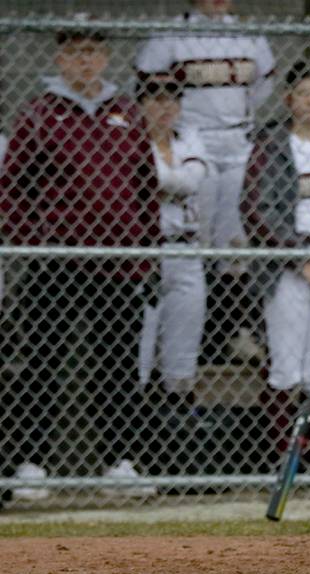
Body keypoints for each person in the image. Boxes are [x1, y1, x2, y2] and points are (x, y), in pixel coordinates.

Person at [0, 19, 160, 495]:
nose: (85, 60)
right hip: (58, 262)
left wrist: (145, 251)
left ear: (105, 57)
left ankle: (120, 463)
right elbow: (11, 188)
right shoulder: (39, 114)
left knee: (116, 366)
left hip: (116, 261)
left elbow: (145, 188)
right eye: (75, 53)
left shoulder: (126, 113)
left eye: (93, 51)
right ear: (59, 59)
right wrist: (37, 238)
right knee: (44, 363)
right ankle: (30, 465)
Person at [135, 0, 276, 365]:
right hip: (193, 137)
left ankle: (229, 333)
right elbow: (146, 85)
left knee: (235, 243)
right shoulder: (171, 36)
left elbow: (263, 85)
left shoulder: (248, 34)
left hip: (237, 139)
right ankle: (195, 342)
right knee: (196, 237)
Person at [240, 60, 310, 467]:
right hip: (285, 266)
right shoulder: (269, 146)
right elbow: (254, 207)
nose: (309, 102)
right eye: (302, 94)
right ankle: (283, 455)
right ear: (288, 99)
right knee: (286, 364)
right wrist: (296, 255)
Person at [135, 72, 210, 473]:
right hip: (147, 253)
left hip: (186, 250)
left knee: (181, 360)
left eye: (170, 99)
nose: (163, 107)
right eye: (154, 99)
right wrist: (167, 180)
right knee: (142, 357)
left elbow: (189, 180)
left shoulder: (189, 136)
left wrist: (159, 180)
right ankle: (140, 456)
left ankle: (172, 458)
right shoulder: (131, 138)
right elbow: (167, 180)